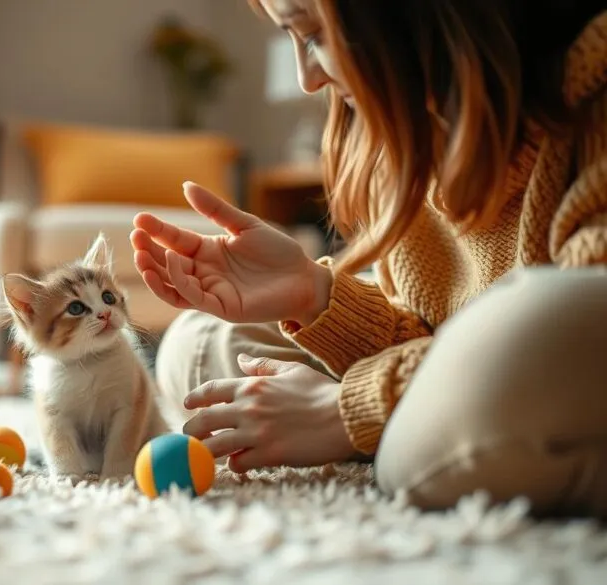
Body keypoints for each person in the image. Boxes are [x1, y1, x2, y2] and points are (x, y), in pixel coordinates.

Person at [131, 0, 607, 519]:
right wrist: (313, 295)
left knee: (525, 333)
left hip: (538, 364)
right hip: (468, 376)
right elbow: (428, 336)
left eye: (313, 35)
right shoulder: (411, 135)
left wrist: (342, 411)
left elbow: (567, 330)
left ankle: (394, 433)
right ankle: (408, 431)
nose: (307, 78)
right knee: (199, 343)